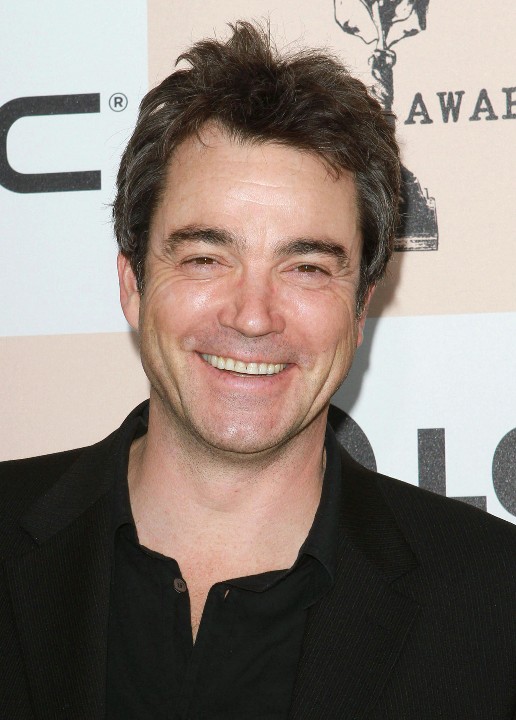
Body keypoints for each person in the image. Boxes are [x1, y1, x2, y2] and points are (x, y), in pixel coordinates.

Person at [1, 21, 515, 720]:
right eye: (206, 258)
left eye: (306, 268)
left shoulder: (494, 602)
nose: (252, 316)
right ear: (132, 284)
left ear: (361, 307)